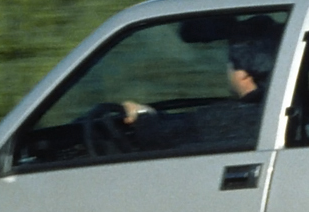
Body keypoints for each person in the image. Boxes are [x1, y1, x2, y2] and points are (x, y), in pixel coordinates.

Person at [121, 16, 282, 151]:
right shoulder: (276, 110)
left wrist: (142, 117)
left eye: (229, 61)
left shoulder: (228, 118)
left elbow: (163, 138)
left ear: (243, 74)